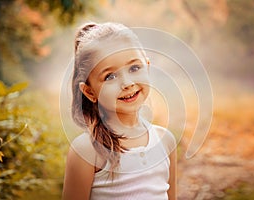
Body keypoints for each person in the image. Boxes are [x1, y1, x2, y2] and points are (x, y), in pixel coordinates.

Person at [62, 22, 177, 200]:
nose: (127, 83)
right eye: (110, 76)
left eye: (134, 68)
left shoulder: (165, 141)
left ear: (147, 66)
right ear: (89, 91)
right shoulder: (87, 151)